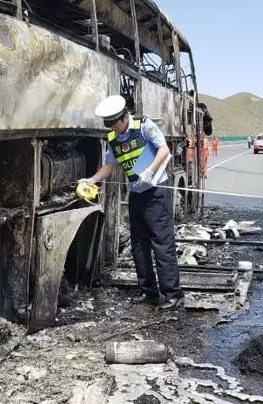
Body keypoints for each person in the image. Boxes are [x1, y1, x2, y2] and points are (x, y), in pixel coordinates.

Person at [78, 95, 184, 310]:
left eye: (114, 123)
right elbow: (109, 167)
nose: (113, 128)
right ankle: (149, 292)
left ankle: (173, 295)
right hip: (136, 194)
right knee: (139, 245)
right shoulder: (113, 138)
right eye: (108, 125)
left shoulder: (144, 126)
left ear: (124, 117)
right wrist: (91, 180)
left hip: (155, 192)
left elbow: (164, 149)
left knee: (162, 244)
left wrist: (150, 171)